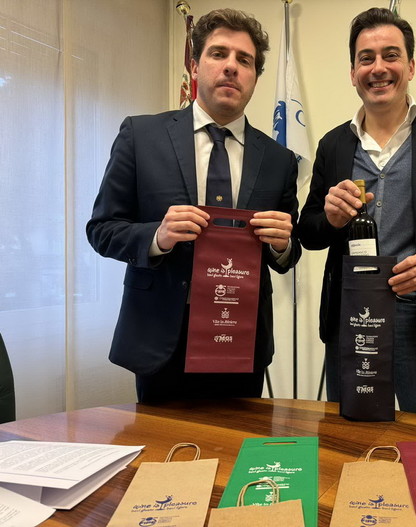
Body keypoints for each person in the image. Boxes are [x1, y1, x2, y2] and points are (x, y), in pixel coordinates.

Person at [86, 9, 301, 403]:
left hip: (242, 338)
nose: (231, 67)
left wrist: (282, 245)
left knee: (240, 443)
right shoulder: (140, 135)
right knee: (162, 444)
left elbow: (289, 252)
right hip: (161, 337)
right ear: (195, 65)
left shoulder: (279, 160)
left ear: (255, 77)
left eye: (245, 60)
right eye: (219, 54)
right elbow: (101, 230)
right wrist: (157, 236)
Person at [298, 8, 416, 417]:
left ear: (411, 66)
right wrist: (330, 219)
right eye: (366, 58)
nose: (378, 68)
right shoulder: (333, 144)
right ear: (353, 73)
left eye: (391, 55)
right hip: (350, 310)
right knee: (348, 430)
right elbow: (308, 233)